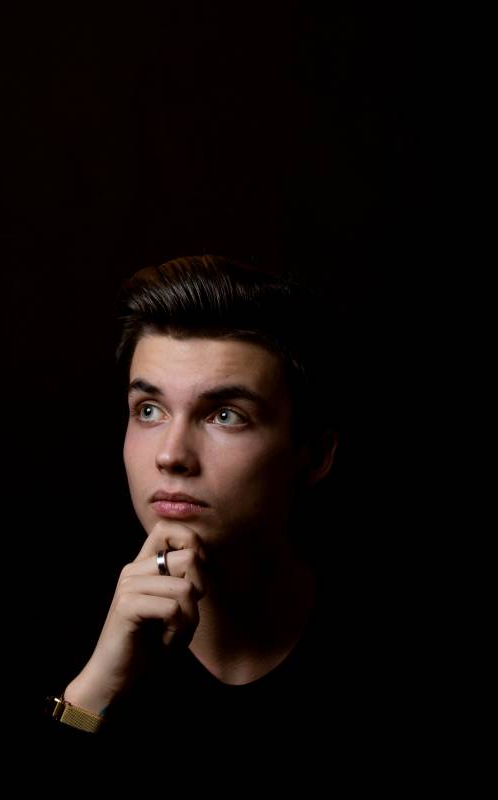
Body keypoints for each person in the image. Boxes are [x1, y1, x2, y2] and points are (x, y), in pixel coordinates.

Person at [41, 255, 366, 785]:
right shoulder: (54, 616)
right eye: (149, 410)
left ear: (313, 456)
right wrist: (95, 689)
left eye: (225, 415)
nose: (171, 456)